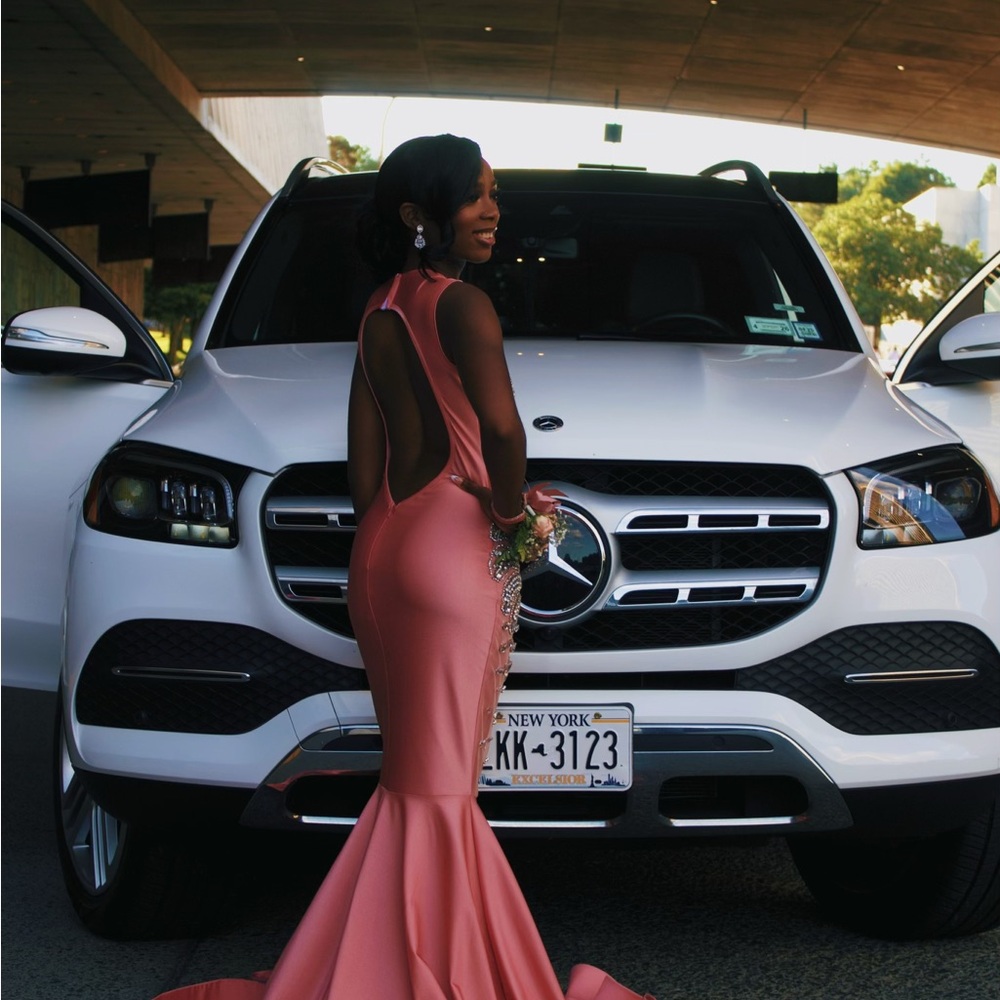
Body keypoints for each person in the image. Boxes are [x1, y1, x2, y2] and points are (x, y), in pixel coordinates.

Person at [153, 134, 654, 1000]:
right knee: (441, 786)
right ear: (422, 216)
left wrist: (402, 527)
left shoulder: (380, 310)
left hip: (384, 550)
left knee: (412, 779)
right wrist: (512, 521)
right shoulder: (463, 307)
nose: (493, 210)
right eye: (474, 198)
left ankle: (383, 957)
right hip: (454, 554)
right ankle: (432, 970)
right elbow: (502, 434)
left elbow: (363, 463)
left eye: (494, 194)